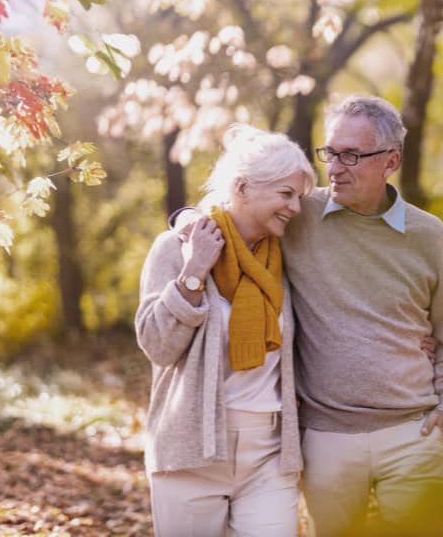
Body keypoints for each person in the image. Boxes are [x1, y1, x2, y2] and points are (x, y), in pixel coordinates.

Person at [278, 95, 443, 536]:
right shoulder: (298, 215)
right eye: (330, 153)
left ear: (391, 161)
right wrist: (188, 218)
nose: (336, 167)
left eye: (351, 155)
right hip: (327, 437)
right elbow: (239, 210)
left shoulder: (428, 235)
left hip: (413, 433)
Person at [134, 125, 315, 536]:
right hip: (192, 451)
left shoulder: (287, 258)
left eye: (299, 197)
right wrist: (194, 272)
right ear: (243, 187)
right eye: (286, 194)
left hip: (270, 453)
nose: (296, 208)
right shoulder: (176, 248)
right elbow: (158, 346)